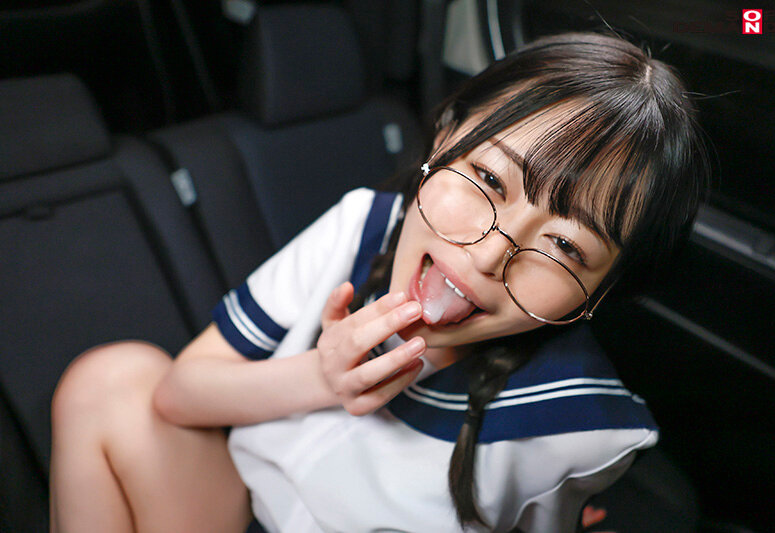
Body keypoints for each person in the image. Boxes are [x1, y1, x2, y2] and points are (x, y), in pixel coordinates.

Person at [50, 31, 710, 532]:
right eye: (488, 179)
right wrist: (321, 378)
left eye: (564, 245)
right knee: (109, 378)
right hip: (239, 507)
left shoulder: (582, 426)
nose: (487, 257)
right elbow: (178, 394)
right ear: (444, 136)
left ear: (599, 293)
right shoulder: (359, 227)